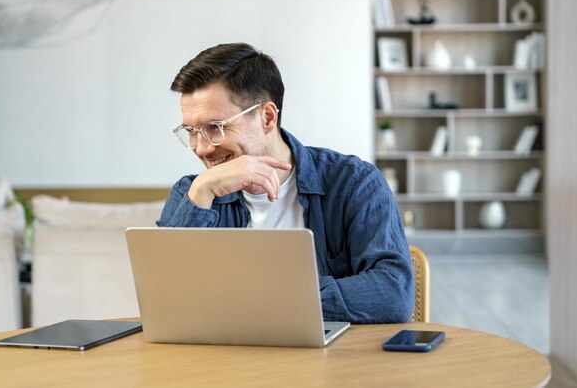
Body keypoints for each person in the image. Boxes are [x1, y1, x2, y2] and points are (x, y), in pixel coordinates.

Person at [157, 42, 414, 324]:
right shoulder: (192, 193)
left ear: (267, 117)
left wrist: (264, 302)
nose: (201, 148)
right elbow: (164, 300)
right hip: (223, 361)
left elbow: (393, 293)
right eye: (192, 132)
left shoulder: (354, 182)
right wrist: (202, 192)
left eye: (214, 128)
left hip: (332, 362)